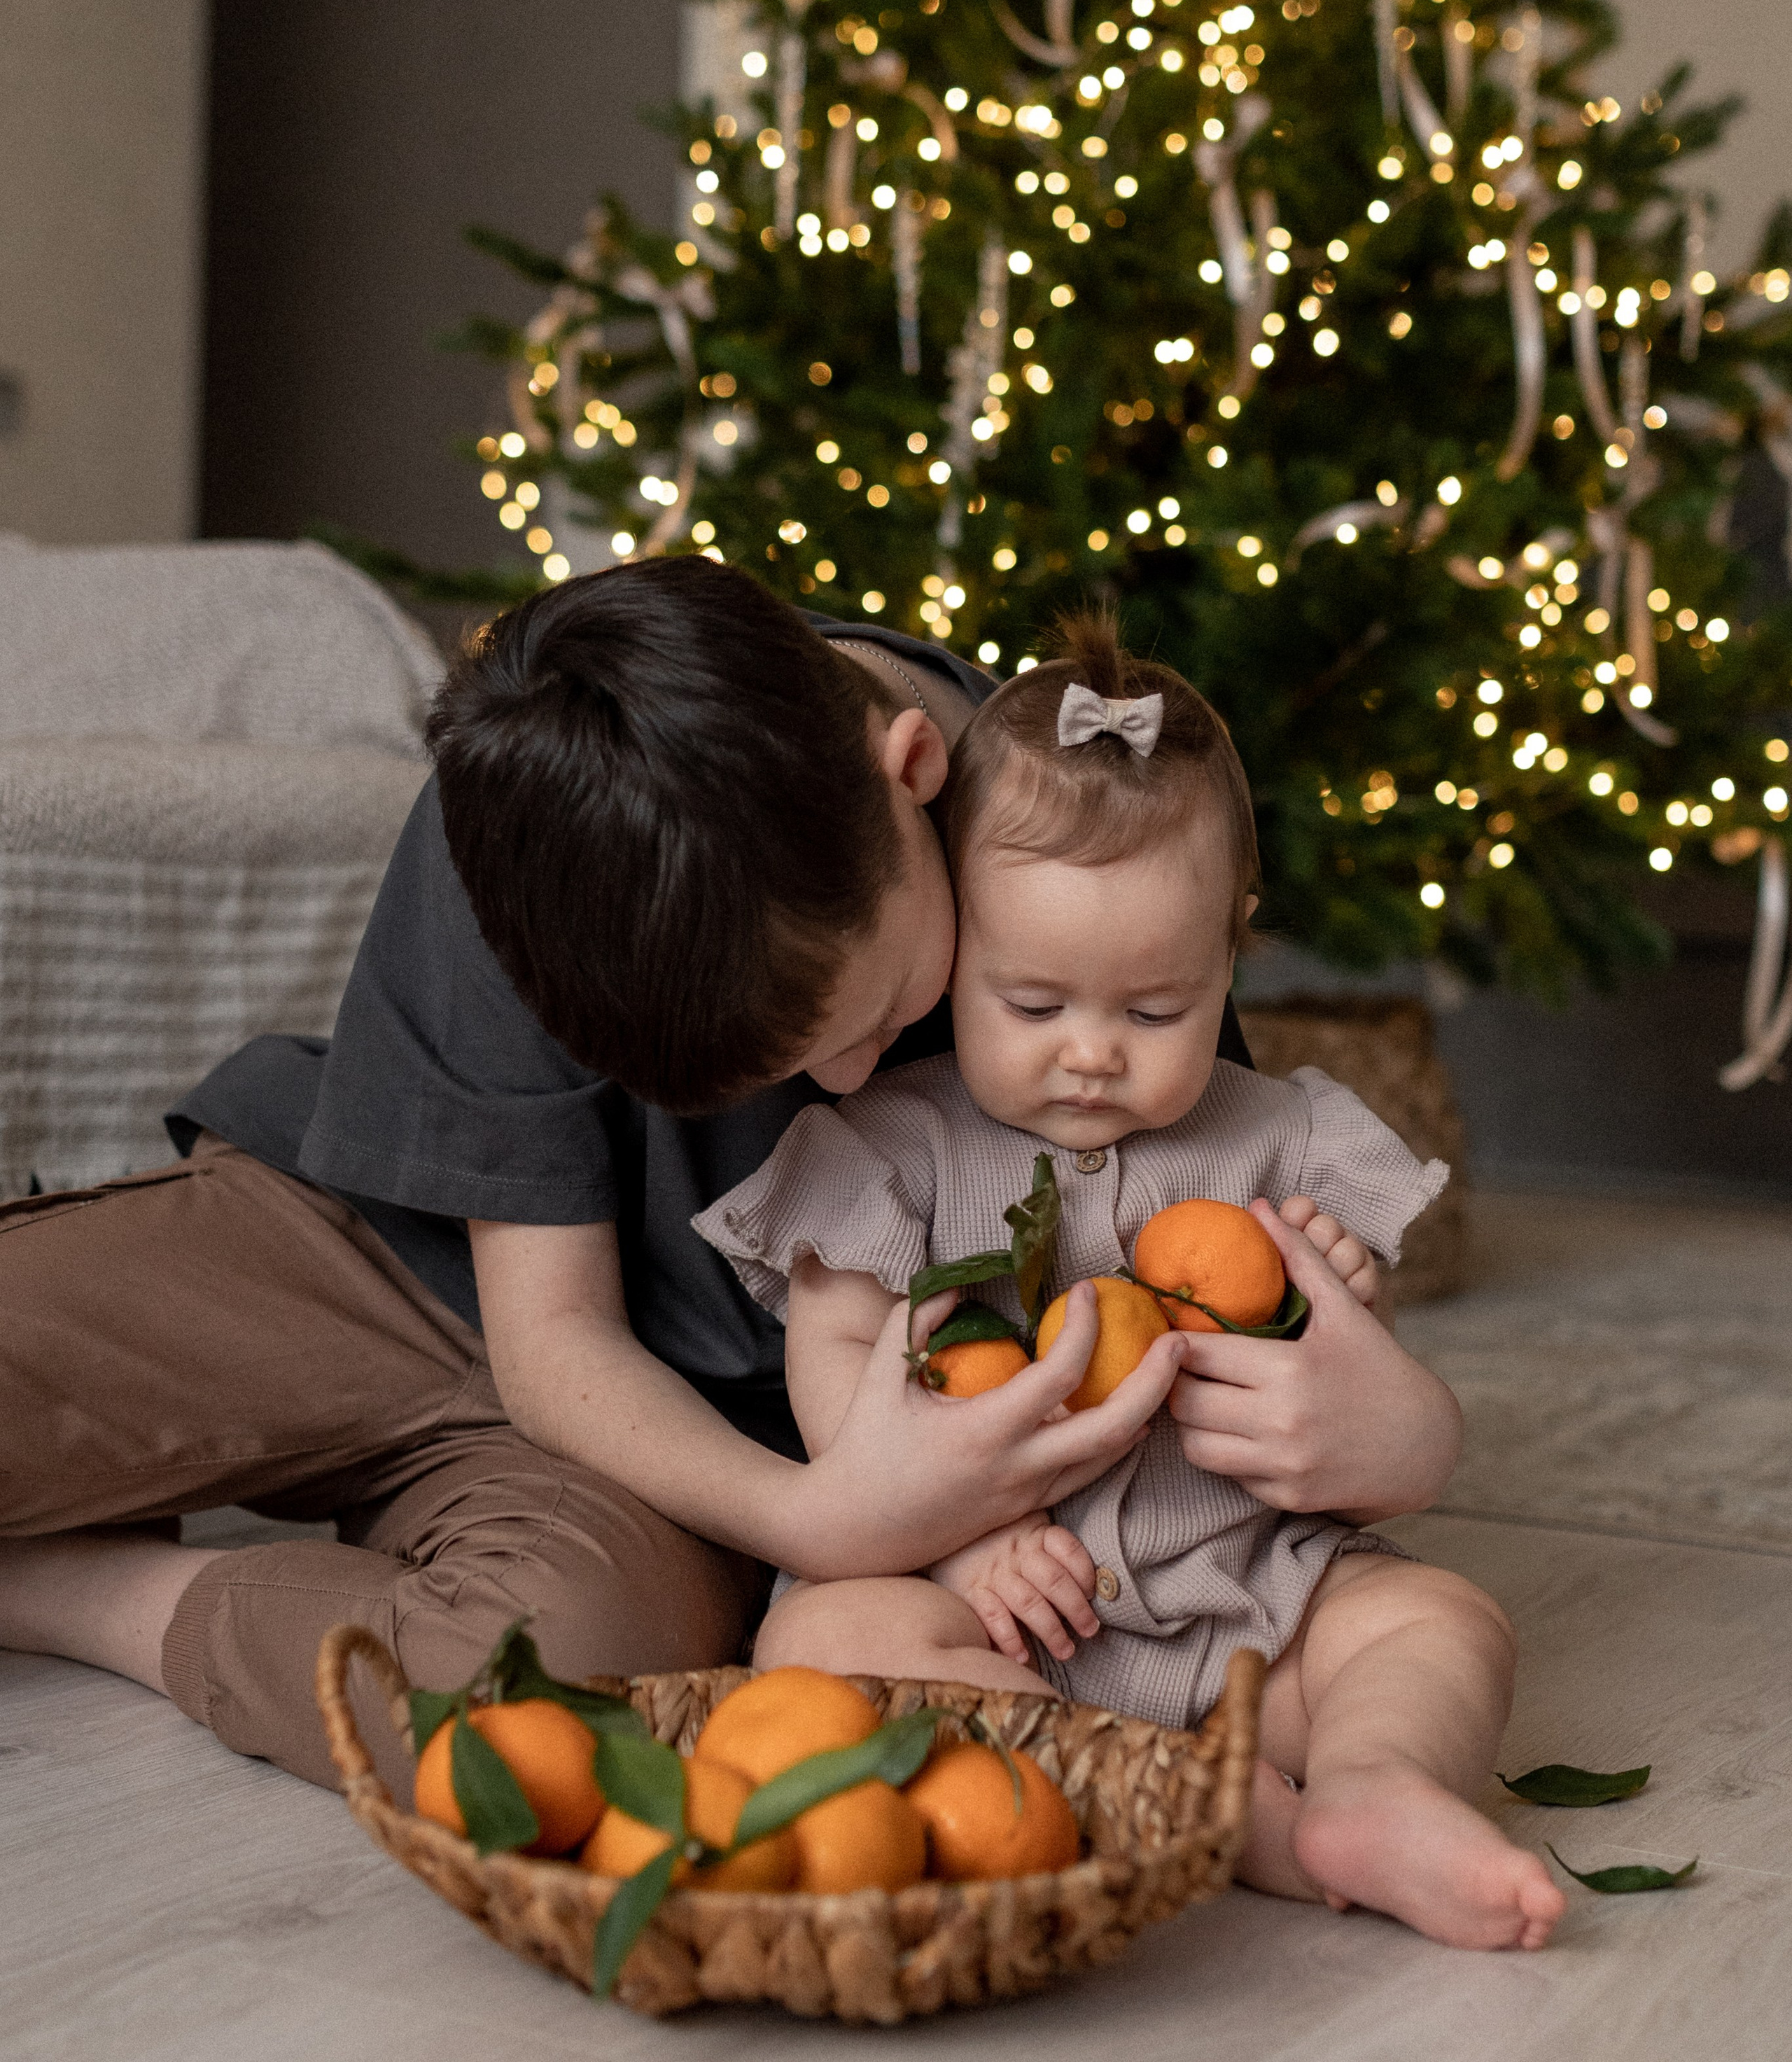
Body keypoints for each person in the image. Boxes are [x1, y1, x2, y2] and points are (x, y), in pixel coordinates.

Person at [0, 561, 1464, 1820]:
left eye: (875, 1014)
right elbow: (549, 1339)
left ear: (913, 774)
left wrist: (848, 1522)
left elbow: (1175, 1346)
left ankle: (71, 1589)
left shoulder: (1085, 875)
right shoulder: (545, 808)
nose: (839, 1088)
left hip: (681, 1458)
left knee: (536, 1709)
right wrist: (829, 1520)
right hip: (368, 1258)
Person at [695, 615, 1564, 1951]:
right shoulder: (886, 1149)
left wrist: (1355, 1356)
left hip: (1247, 1601)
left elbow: (1362, 1401)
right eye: (1032, 1005)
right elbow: (842, 1387)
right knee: (825, 1644)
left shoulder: (1290, 1143)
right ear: (958, 942)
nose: (1091, 1054)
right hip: (988, 1616)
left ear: (1232, 954)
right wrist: (966, 1543)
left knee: (1437, 1623)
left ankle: (1378, 1784)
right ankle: (1223, 1813)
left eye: (1154, 1010)